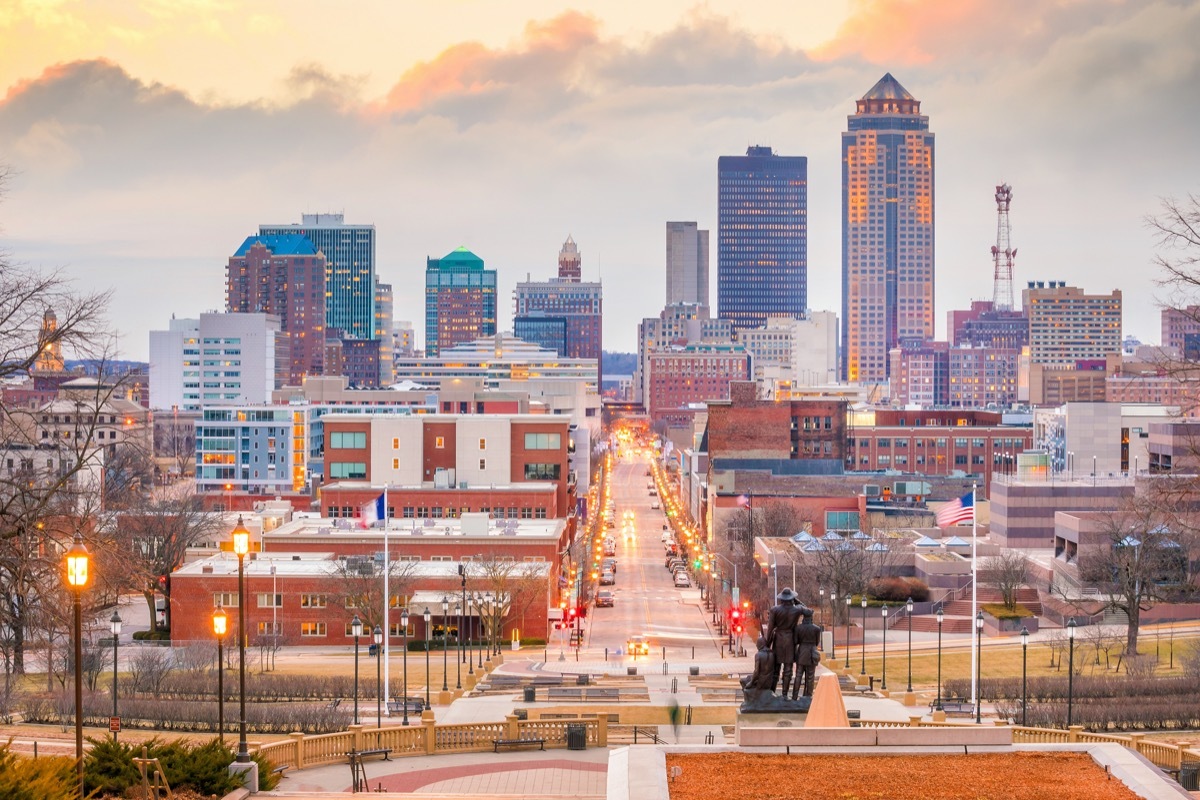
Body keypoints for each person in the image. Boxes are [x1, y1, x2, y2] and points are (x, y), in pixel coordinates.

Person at [764, 588, 804, 697]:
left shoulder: (775, 610)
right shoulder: (797, 610)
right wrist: (797, 601)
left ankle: (771, 692)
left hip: (778, 639)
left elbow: (770, 627)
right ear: (791, 598)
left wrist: (767, 643)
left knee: (776, 668)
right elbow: (808, 610)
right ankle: (785, 694)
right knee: (788, 669)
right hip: (790, 639)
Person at [793, 606, 823, 699]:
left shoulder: (798, 628)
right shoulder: (816, 629)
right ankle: (808, 696)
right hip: (811, 653)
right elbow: (817, 642)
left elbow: (795, 641)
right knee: (810, 676)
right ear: (811, 617)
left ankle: (794, 696)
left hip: (802, 652)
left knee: (798, 675)